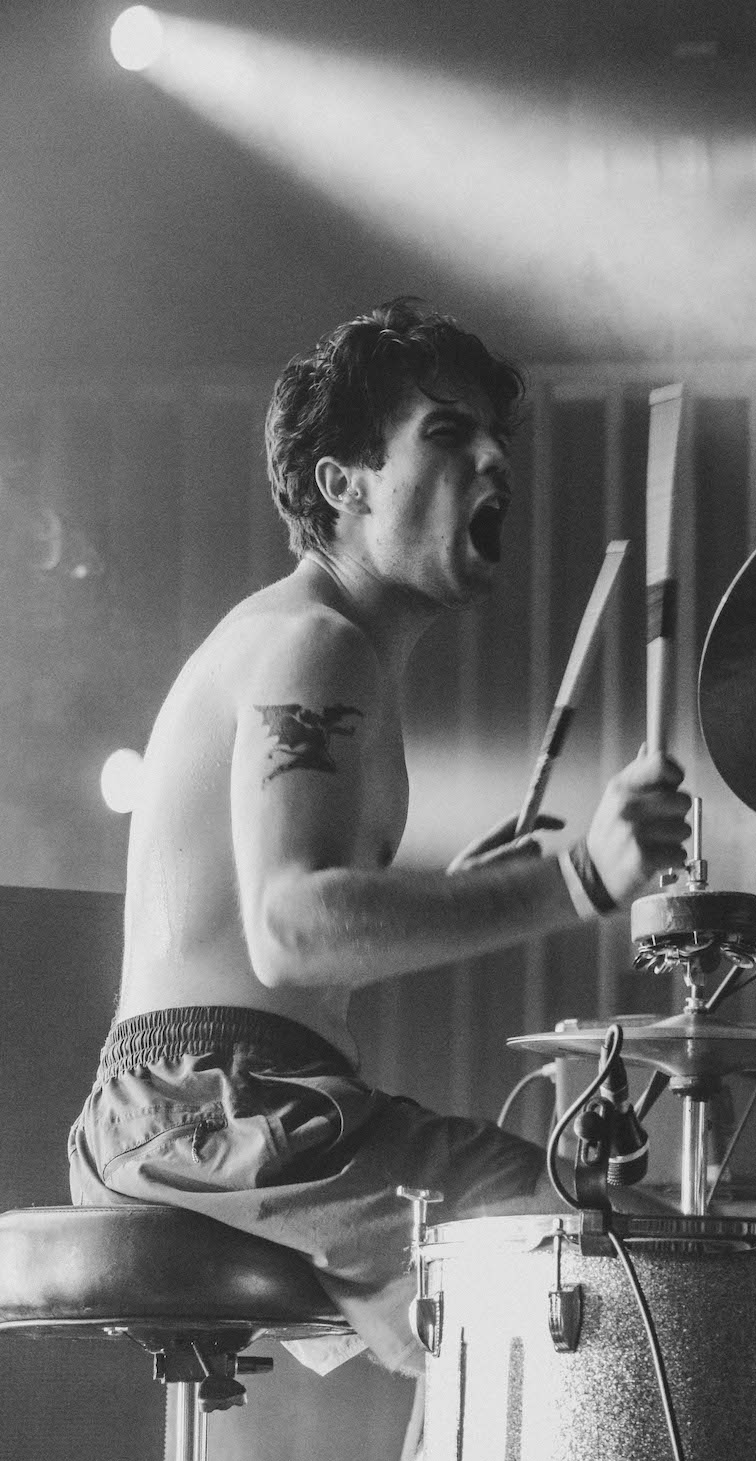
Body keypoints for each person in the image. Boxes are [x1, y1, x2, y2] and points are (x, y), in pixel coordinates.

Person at [68, 298, 691, 1375]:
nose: (494, 460)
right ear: (343, 484)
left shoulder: (304, 641)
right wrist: (584, 876)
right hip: (207, 1104)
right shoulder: (317, 645)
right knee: (606, 1256)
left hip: (208, 1102)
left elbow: (278, 944)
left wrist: (465, 888)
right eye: (447, 434)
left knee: (508, 1300)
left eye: (495, 437)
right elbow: (291, 932)